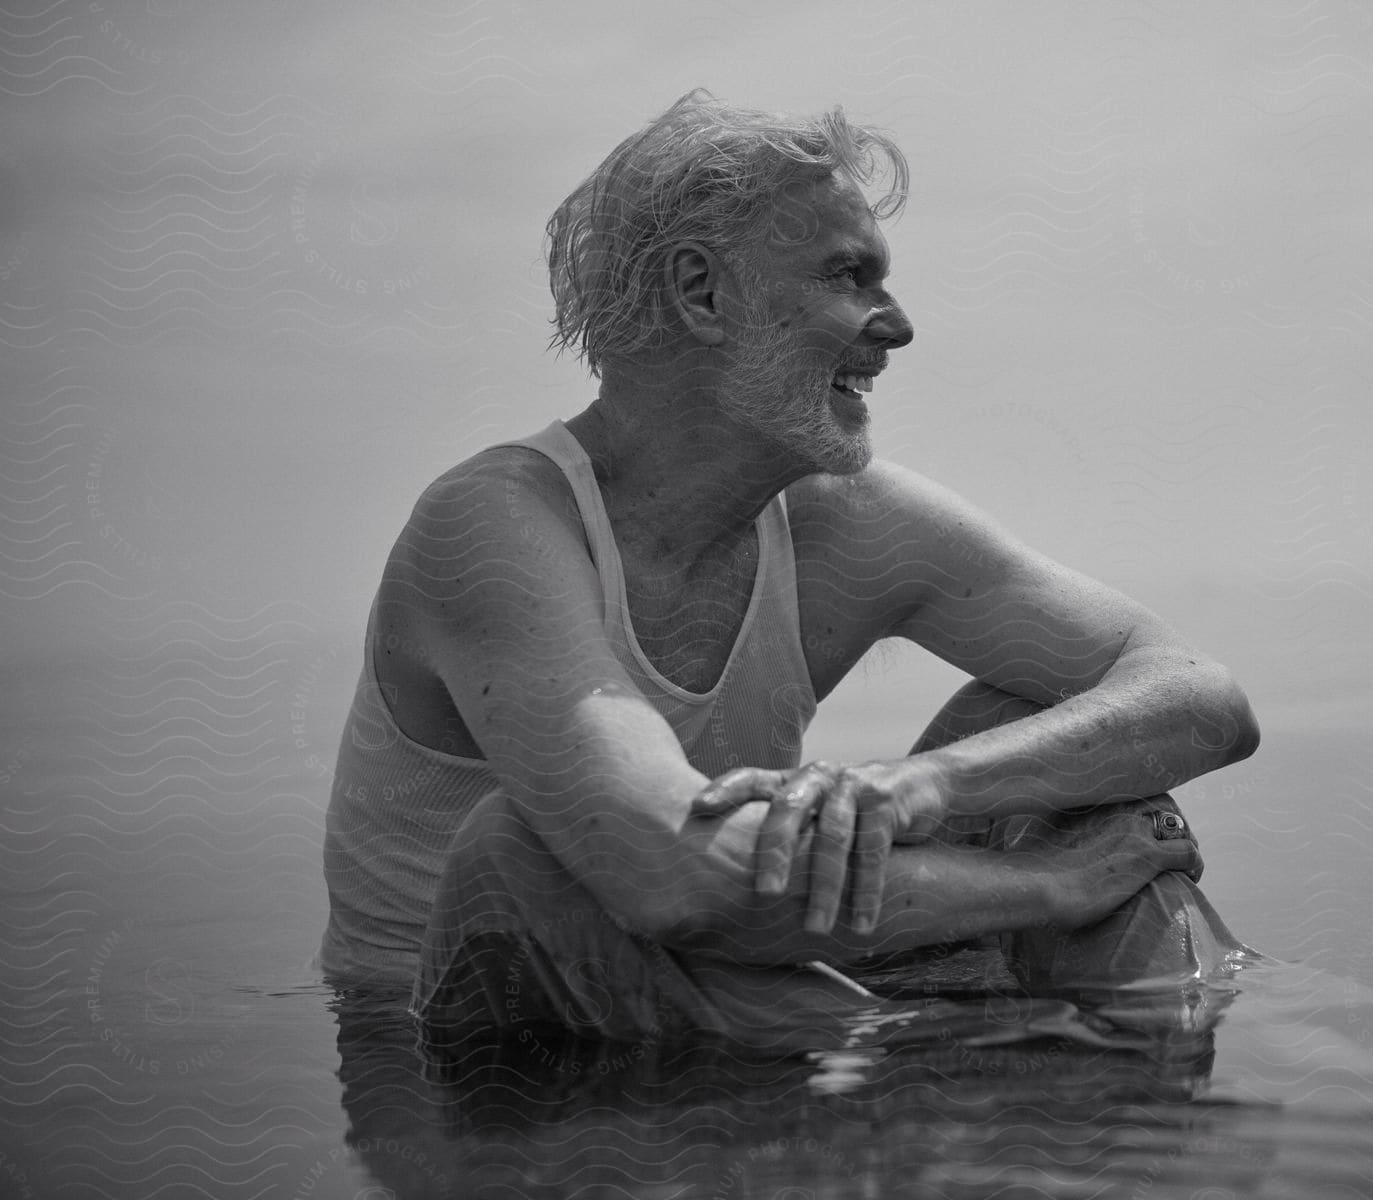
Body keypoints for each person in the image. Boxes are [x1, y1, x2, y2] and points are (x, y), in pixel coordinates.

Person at [318, 90, 1259, 1051]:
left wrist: (927, 786)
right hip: (486, 1077)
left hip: (741, 992)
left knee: (1043, 733)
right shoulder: (492, 526)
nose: (895, 327)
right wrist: (1049, 887)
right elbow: (666, 872)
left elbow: (1203, 699)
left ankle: (1169, 1084)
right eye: (850, 276)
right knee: (523, 846)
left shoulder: (844, 523)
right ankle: (999, 1081)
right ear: (704, 293)